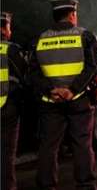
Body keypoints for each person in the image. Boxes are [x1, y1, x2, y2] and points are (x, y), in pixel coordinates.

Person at [28, 0, 97, 189]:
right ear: (72, 14)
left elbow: (32, 73)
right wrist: (73, 90)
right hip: (78, 100)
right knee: (82, 143)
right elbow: (92, 67)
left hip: (50, 101)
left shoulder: (39, 40)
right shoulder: (85, 36)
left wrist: (50, 90)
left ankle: (46, 185)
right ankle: (85, 185)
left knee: (48, 147)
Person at [1, 12, 27, 190]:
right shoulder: (10, 49)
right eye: (8, 27)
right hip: (7, 106)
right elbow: (25, 73)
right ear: (3, 29)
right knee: (6, 155)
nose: (10, 31)